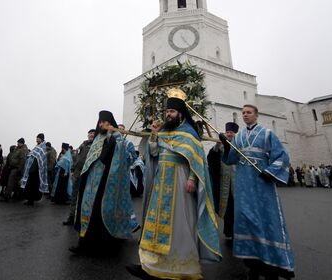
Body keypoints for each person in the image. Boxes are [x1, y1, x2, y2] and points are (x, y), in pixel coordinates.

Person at [127, 92, 221, 280]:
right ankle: (150, 266)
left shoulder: (189, 133)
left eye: (171, 111)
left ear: (181, 113)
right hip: (161, 182)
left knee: (180, 224)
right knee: (156, 225)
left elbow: (197, 160)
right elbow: (153, 153)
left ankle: (181, 268)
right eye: (167, 111)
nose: (168, 114)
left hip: (180, 180)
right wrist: (153, 136)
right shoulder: (163, 131)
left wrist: (193, 179)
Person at [220, 104, 295, 280]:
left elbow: (282, 156)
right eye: (243, 113)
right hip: (243, 185)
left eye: (248, 112)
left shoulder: (267, 134)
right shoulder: (238, 137)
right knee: (247, 220)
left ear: (256, 115)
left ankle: (273, 263)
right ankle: (253, 262)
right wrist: (226, 146)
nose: (245, 115)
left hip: (262, 183)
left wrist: (270, 171)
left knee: (266, 219)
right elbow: (231, 160)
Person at [71, 111, 134, 256]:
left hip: (107, 182)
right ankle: (83, 244)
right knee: (87, 211)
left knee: (101, 213)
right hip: (92, 181)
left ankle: (104, 246)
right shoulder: (98, 138)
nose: (101, 124)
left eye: (105, 122)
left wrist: (112, 137)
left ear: (110, 122)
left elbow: (111, 158)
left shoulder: (117, 138)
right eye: (100, 122)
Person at [208, 121, 238, 239]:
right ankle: (229, 232)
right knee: (228, 208)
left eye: (231, 132)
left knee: (238, 207)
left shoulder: (239, 145)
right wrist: (216, 147)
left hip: (237, 182)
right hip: (224, 183)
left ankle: (240, 232)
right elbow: (211, 159)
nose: (229, 134)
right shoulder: (219, 146)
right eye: (228, 132)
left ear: (235, 134)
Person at [63, 129, 94, 225]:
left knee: (86, 197)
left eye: (93, 133)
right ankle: (72, 217)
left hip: (88, 174)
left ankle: (84, 219)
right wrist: (72, 170)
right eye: (90, 133)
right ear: (87, 134)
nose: (91, 135)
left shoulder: (96, 145)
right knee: (74, 196)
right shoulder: (83, 144)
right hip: (77, 173)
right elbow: (76, 158)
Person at [20, 133, 49, 206]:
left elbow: (40, 160)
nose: (36, 139)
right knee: (30, 186)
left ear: (41, 139)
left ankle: (31, 201)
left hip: (36, 171)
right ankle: (29, 199)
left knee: (33, 186)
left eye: (38, 138)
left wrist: (32, 169)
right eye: (36, 138)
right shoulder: (37, 146)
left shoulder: (42, 147)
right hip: (32, 171)